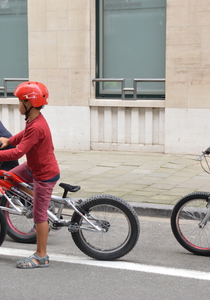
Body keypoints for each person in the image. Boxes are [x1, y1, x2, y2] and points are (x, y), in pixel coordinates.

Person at [0, 81, 60, 269]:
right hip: (32, 167)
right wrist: (9, 139)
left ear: (29, 103)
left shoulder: (37, 126)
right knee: (7, 177)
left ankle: (41, 256)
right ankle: (35, 197)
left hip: (43, 174)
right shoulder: (34, 120)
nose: (18, 105)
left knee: (39, 216)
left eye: (19, 101)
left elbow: (18, 152)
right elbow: (23, 135)